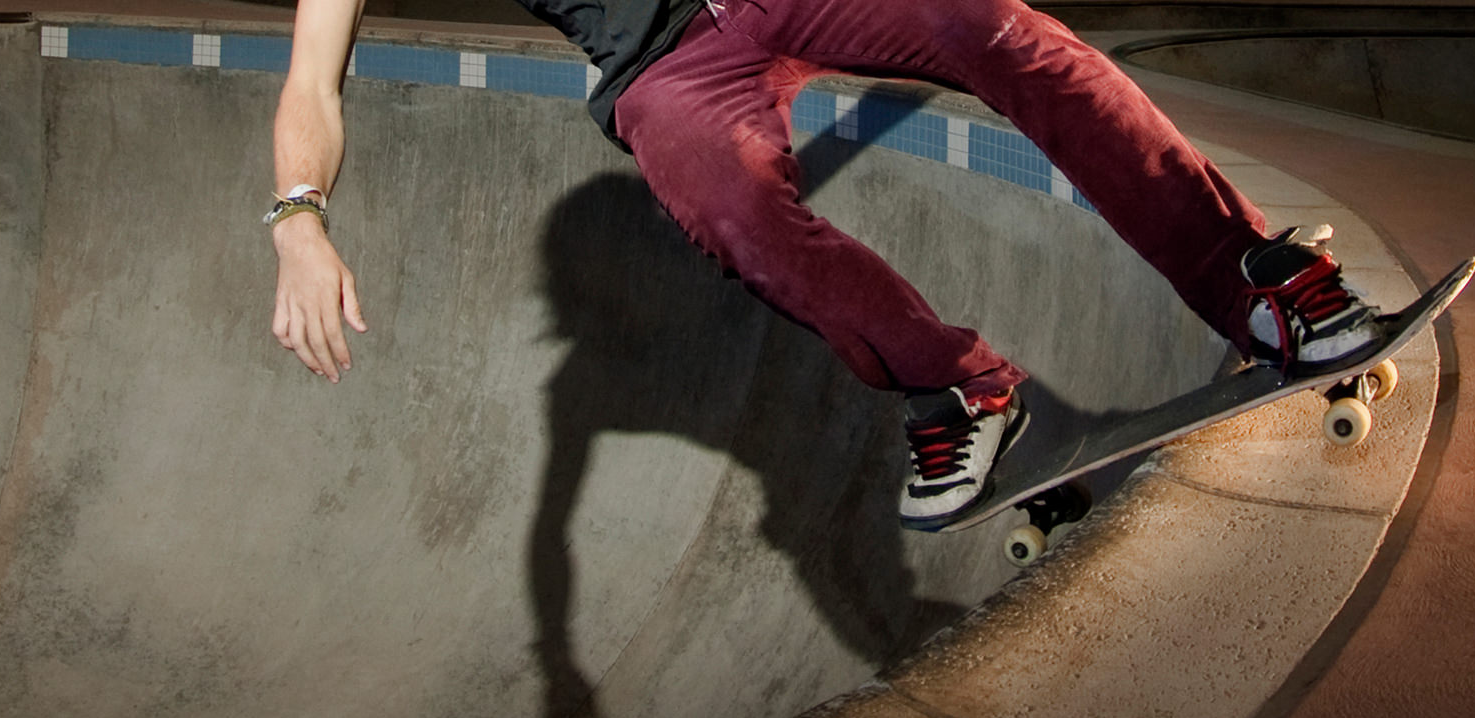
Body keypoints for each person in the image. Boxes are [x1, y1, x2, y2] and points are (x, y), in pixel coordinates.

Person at [261, 0, 1377, 520]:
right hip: (660, 65)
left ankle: (1252, 281)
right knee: (730, 207)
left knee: (986, 26)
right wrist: (298, 217)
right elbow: (313, 82)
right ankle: (957, 387)